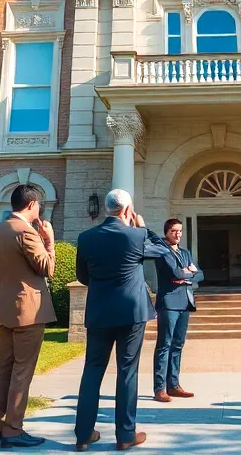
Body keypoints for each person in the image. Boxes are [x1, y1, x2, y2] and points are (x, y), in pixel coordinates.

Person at [72, 189, 180, 452]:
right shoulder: (137, 234)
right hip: (132, 313)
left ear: (108, 208)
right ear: (127, 210)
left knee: (92, 370)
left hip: (99, 312)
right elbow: (165, 252)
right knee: (127, 371)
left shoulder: (86, 237)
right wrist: (143, 226)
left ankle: (84, 435)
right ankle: (125, 435)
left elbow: (83, 277)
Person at [0, 185, 56, 449]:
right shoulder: (26, 232)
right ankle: (13, 429)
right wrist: (49, 239)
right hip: (28, 311)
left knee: (3, 368)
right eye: (39, 205)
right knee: (22, 371)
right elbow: (47, 268)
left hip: (4, 308)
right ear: (32, 204)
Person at [152, 218, 202, 403]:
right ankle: (160, 389)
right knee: (164, 345)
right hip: (168, 303)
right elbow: (176, 273)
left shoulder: (185, 252)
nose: (178, 234)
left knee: (178, 345)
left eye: (180, 231)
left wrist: (189, 272)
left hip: (185, 302)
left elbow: (201, 274)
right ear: (166, 232)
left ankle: (174, 385)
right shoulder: (162, 251)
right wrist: (189, 272)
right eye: (174, 231)